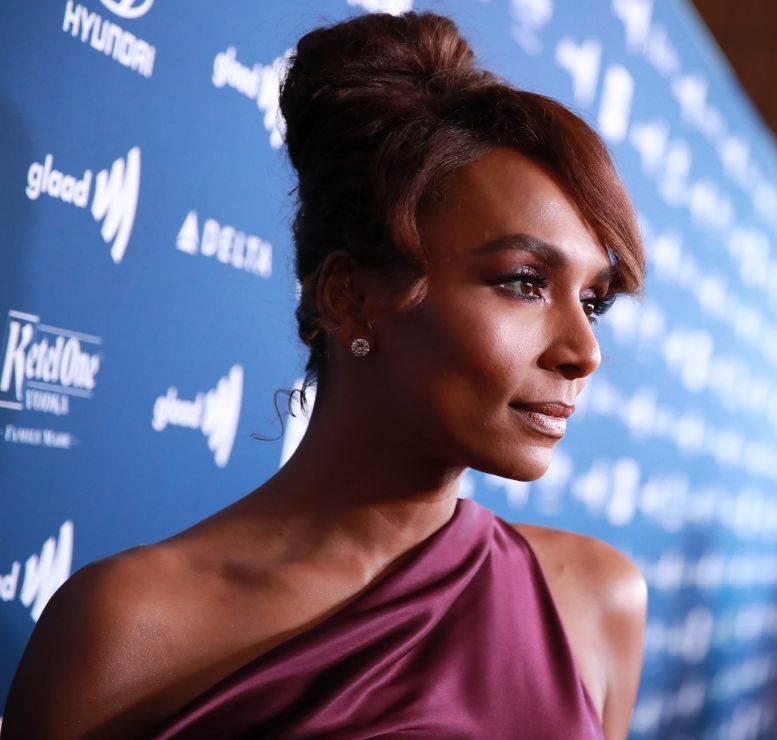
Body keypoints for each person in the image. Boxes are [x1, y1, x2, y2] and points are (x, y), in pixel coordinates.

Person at [2, 11, 648, 739]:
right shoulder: (126, 627)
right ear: (349, 297)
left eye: (594, 300)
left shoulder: (597, 601)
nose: (583, 350)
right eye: (525, 282)